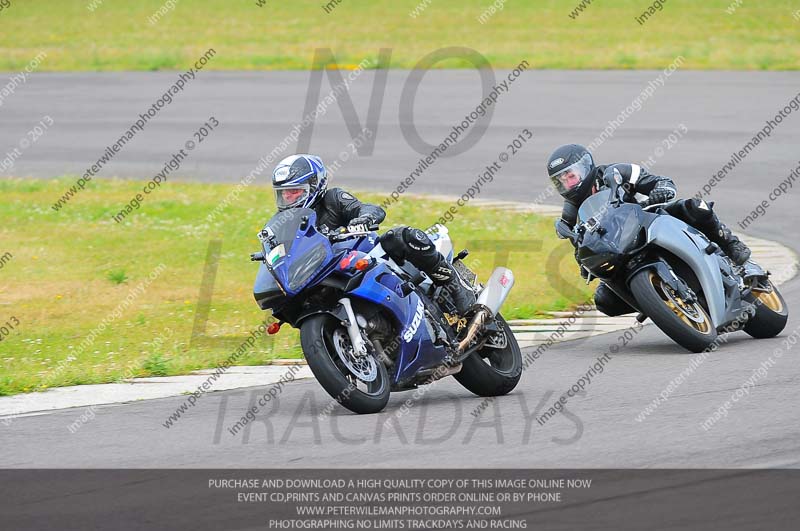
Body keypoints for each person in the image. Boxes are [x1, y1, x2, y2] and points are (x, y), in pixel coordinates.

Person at [547, 143, 752, 317]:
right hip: (621, 250)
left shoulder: (616, 173)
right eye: (560, 181)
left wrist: (660, 191)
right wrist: (585, 263)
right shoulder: (570, 215)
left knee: (696, 207)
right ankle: (656, 303)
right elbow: (580, 247)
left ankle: (732, 246)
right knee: (604, 301)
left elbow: (660, 182)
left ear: (585, 167)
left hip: (655, 221)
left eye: (570, 176)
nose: (567, 183)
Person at [271, 154, 476, 314]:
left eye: (295, 191)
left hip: (363, 255)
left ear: (314, 185)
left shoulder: (332, 199)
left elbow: (369, 209)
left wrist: (363, 219)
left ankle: (454, 284)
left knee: (401, 236)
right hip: (328, 272)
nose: (288, 198)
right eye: (284, 193)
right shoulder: (286, 223)